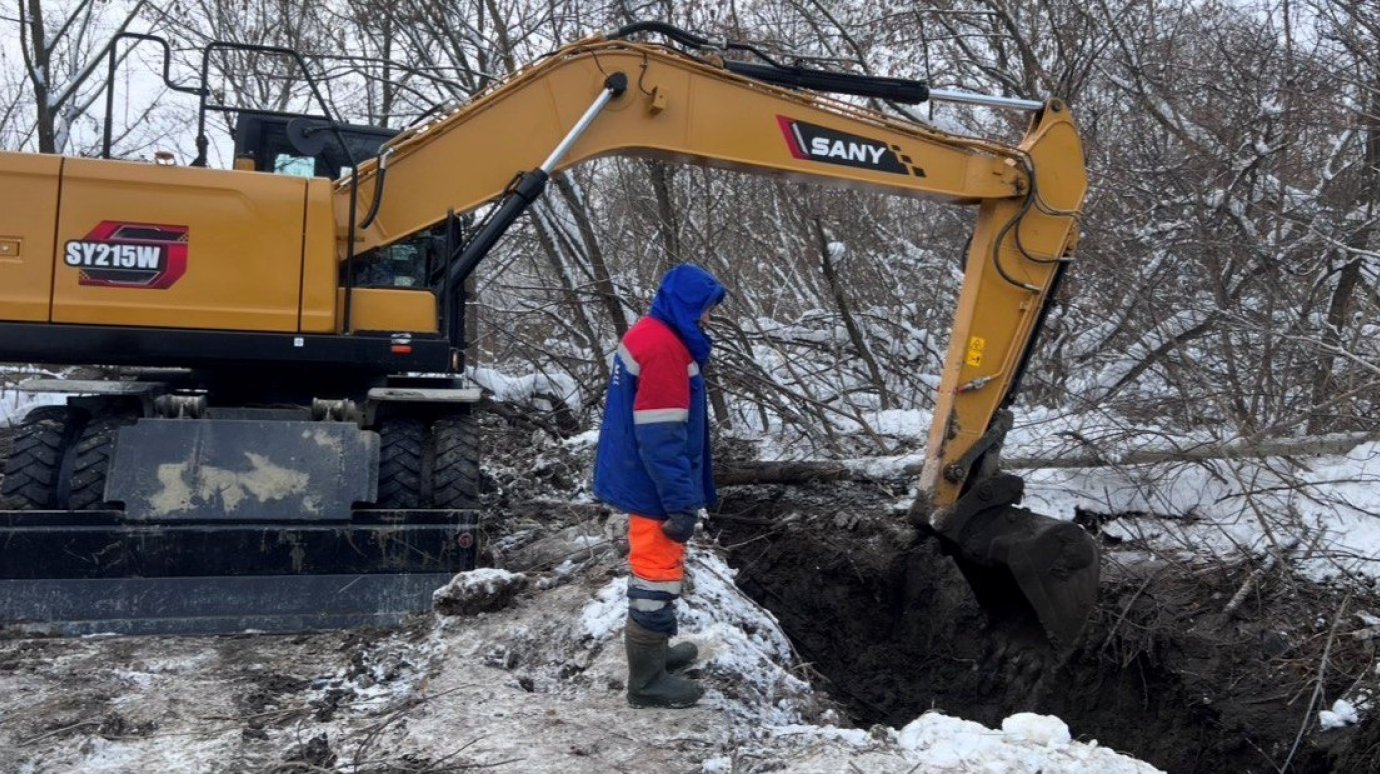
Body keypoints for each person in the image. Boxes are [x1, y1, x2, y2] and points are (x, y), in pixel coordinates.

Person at [593, 263, 726, 709]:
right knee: (657, 575)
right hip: (654, 487)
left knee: (655, 571)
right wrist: (681, 503)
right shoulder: (667, 351)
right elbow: (662, 439)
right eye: (706, 311)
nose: (709, 320)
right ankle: (647, 683)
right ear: (688, 307)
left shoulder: (649, 332)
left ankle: (656, 656)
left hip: (639, 476)